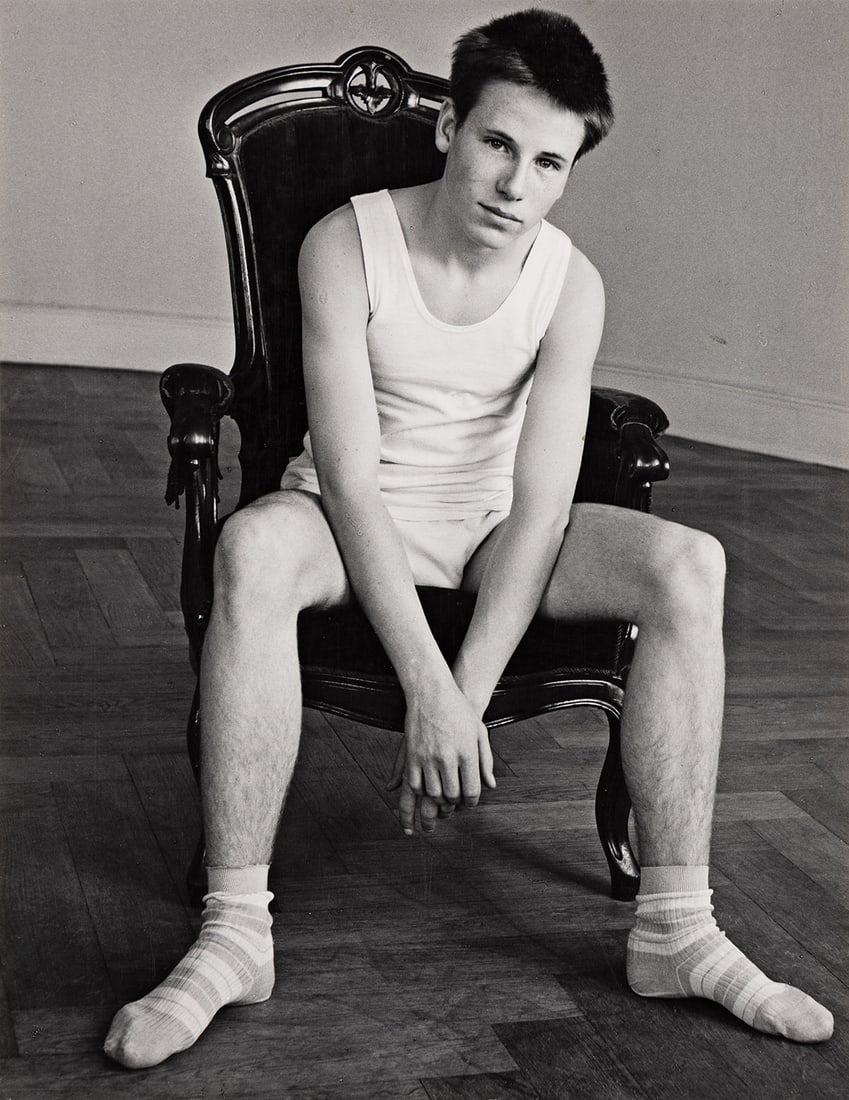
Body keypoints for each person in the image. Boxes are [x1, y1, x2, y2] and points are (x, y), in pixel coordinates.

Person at [104, 7, 833, 1069]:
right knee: (251, 550)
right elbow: (350, 480)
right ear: (450, 127)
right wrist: (426, 688)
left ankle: (677, 930)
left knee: (691, 565)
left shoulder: (569, 283)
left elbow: (538, 508)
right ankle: (234, 935)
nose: (514, 186)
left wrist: (465, 696)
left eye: (549, 163)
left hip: (491, 528)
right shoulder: (346, 243)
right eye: (498, 143)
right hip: (351, 517)